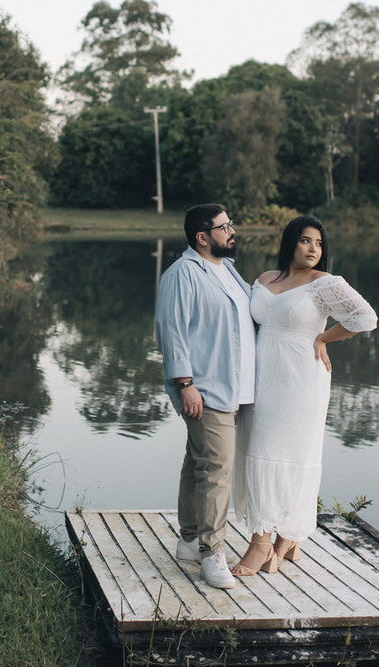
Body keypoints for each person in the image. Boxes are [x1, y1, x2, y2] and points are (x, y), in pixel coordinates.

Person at [230, 216, 377, 576]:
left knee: (281, 454)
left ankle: (263, 543)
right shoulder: (267, 279)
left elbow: (365, 317)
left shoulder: (323, 283)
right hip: (262, 380)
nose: (313, 249)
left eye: (319, 244)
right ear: (290, 243)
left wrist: (323, 338)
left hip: (300, 380)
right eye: (306, 241)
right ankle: (287, 540)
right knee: (255, 452)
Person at [154, 203, 255, 590]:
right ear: (202, 236)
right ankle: (213, 555)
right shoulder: (182, 275)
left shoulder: (227, 270)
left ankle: (190, 539)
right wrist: (184, 384)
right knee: (216, 470)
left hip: (235, 387)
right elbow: (171, 330)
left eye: (231, 223)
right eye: (224, 226)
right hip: (206, 388)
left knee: (196, 462)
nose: (232, 230)